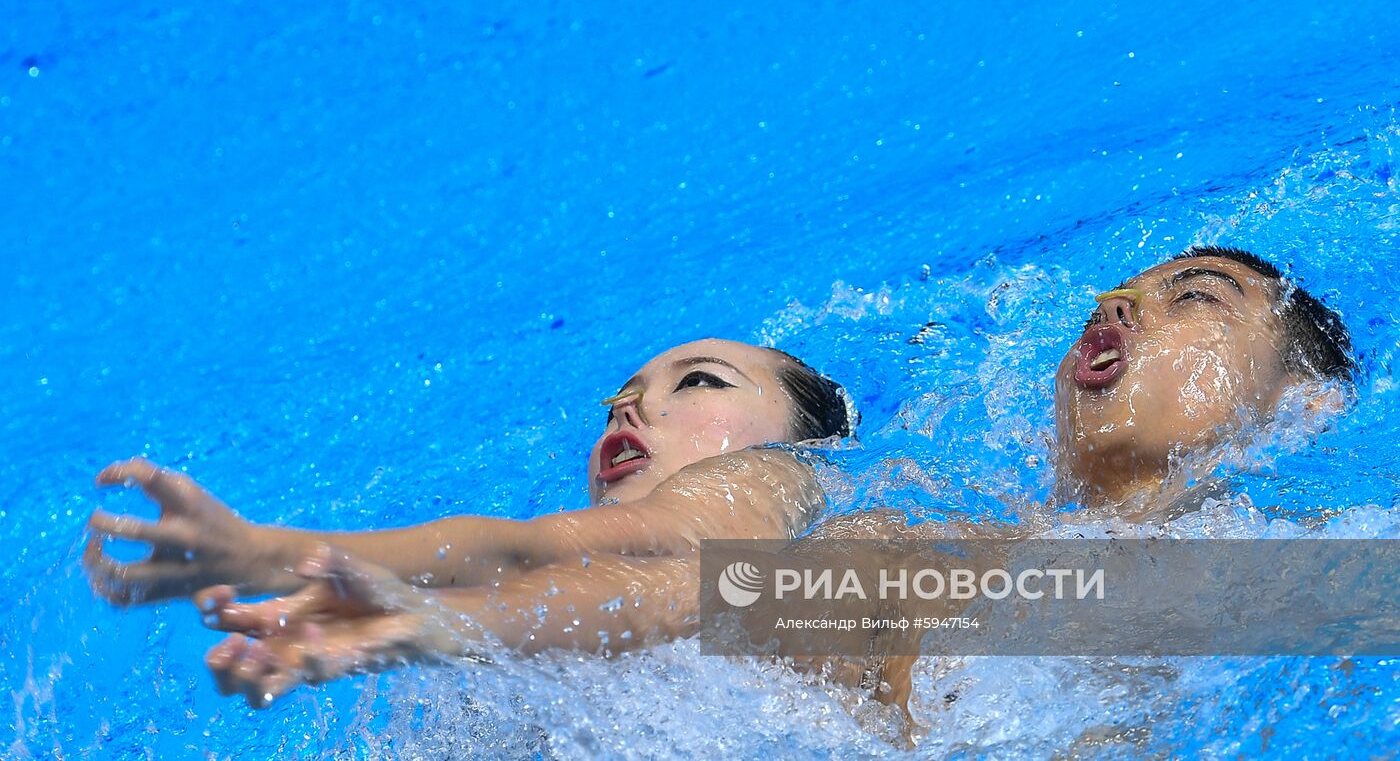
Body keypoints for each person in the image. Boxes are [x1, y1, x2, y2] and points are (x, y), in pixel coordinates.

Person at [110, 247, 1361, 717]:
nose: (1118, 301)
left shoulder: (1320, 568)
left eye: (1192, 296)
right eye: (1119, 288)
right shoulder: (916, 529)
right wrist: (416, 612)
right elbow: (673, 594)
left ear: (1306, 407)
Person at [83, 339, 854, 700]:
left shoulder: (783, 478)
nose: (633, 404)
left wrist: (275, 553)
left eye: (700, 383)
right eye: (618, 396)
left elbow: (538, 552)